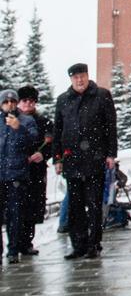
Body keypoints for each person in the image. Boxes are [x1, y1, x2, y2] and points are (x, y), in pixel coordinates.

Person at [53, 64, 117, 260]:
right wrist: (57, 158)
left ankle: (93, 243)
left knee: (94, 204)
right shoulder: (63, 100)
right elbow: (58, 130)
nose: (79, 80)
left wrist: (110, 154)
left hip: (95, 159)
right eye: (75, 77)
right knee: (75, 205)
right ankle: (78, 244)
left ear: (87, 76)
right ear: (71, 79)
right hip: (72, 160)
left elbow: (110, 127)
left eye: (82, 76)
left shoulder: (101, 95)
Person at [0, 89, 38, 265]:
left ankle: (13, 250)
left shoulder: (26, 121)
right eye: (6, 102)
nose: (9, 105)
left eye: (12, 102)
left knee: (15, 215)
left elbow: (32, 141)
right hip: (1, 174)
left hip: (16, 175)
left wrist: (18, 129)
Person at [17, 85, 53, 256]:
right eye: (24, 101)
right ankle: (14, 243)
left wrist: (43, 153)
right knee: (15, 208)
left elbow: (53, 143)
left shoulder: (44, 122)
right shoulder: (11, 120)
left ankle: (26, 242)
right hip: (16, 171)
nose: (28, 105)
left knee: (31, 208)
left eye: (31, 101)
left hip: (36, 171)